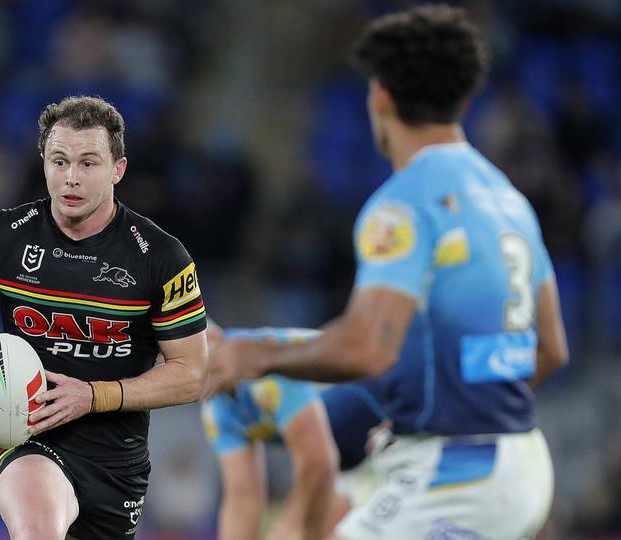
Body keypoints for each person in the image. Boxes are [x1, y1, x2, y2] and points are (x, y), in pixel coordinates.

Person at [206, 5, 569, 539]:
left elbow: (364, 349)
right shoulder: (509, 199)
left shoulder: (402, 205)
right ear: (465, 100)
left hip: (458, 473)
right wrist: (472, 402)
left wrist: (252, 354)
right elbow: (552, 351)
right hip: (522, 461)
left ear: (379, 95)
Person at [0, 95, 208, 540]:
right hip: (25, 439)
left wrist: (93, 396)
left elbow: (192, 374)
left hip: (117, 465)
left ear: (118, 169)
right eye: (59, 161)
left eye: (88, 163)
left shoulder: (161, 257)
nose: (71, 178)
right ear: (43, 162)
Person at [202, 321, 387, 540]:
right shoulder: (214, 406)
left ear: (212, 340)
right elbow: (243, 499)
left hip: (393, 426)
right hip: (353, 455)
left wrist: (301, 533)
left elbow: (319, 463)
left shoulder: (259, 359)